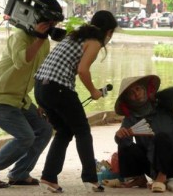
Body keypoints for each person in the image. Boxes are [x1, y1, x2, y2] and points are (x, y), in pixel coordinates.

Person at [0, 0, 64, 188]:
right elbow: (21, 61)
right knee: (25, 136)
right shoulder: (19, 36)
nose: (52, 27)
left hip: (20, 100)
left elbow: (41, 75)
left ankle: (19, 173)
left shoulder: (44, 42)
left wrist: (42, 104)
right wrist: (40, 39)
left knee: (45, 129)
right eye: (49, 23)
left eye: (54, 24)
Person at [34, 10, 118, 193]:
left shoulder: (75, 36)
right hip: (57, 87)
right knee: (83, 131)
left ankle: (48, 177)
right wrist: (94, 91)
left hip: (41, 87)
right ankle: (90, 179)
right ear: (109, 32)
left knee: (64, 131)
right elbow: (83, 70)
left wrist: (43, 101)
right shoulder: (94, 42)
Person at [108, 75, 173, 192]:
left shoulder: (161, 106)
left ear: (145, 89)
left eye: (138, 89)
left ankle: (162, 176)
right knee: (122, 140)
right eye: (131, 94)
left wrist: (154, 95)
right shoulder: (130, 119)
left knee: (161, 137)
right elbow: (124, 144)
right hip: (153, 165)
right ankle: (139, 178)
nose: (136, 95)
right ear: (128, 100)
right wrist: (119, 135)